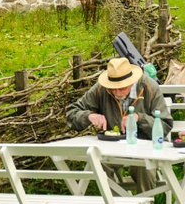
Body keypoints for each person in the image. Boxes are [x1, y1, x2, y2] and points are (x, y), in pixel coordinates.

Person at [66, 57, 173, 192]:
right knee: (100, 165)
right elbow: (72, 112)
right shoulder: (101, 89)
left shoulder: (149, 87)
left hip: (144, 147)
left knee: (143, 167)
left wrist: (139, 118)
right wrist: (89, 116)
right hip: (111, 148)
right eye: (113, 88)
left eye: (121, 87)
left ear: (132, 81)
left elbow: (165, 126)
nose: (116, 92)